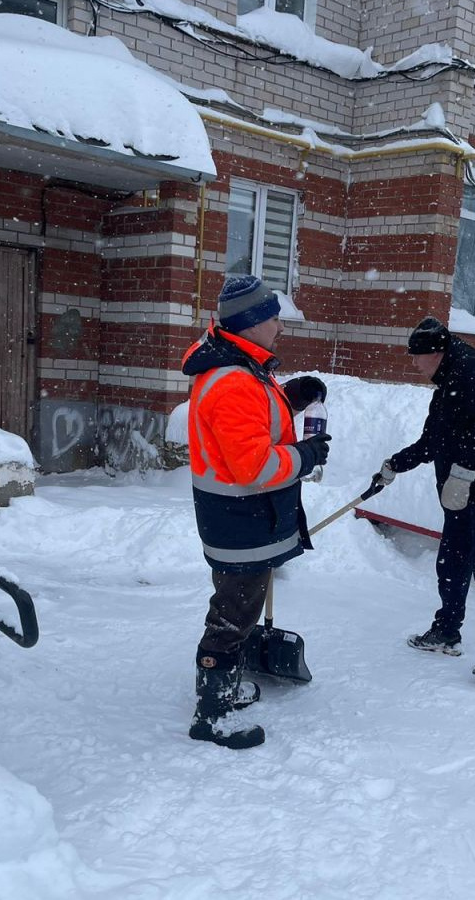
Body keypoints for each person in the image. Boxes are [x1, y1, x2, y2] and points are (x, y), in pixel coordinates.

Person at [181, 275, 330, 748]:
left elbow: (254, 418)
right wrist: (306, 456)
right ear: (249, 324)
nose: (280, 327)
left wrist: (292, 396)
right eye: (272, 318)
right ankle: (212, 713)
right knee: (231, 616)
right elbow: (254, 466)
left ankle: (224, 687)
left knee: (237, 609)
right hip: (241, 520)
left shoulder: (241, 368)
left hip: (240, 520)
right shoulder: (233, 380)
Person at [372, 317, 475, 678]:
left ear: (435, 353)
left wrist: (463, 473)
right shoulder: (447, 384)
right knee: (452, 559)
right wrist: (396, 464)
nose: (413, 362)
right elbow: (433, 441)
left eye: (416, 356)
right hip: (460, 492)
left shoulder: (471, 374)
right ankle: (447, 631)